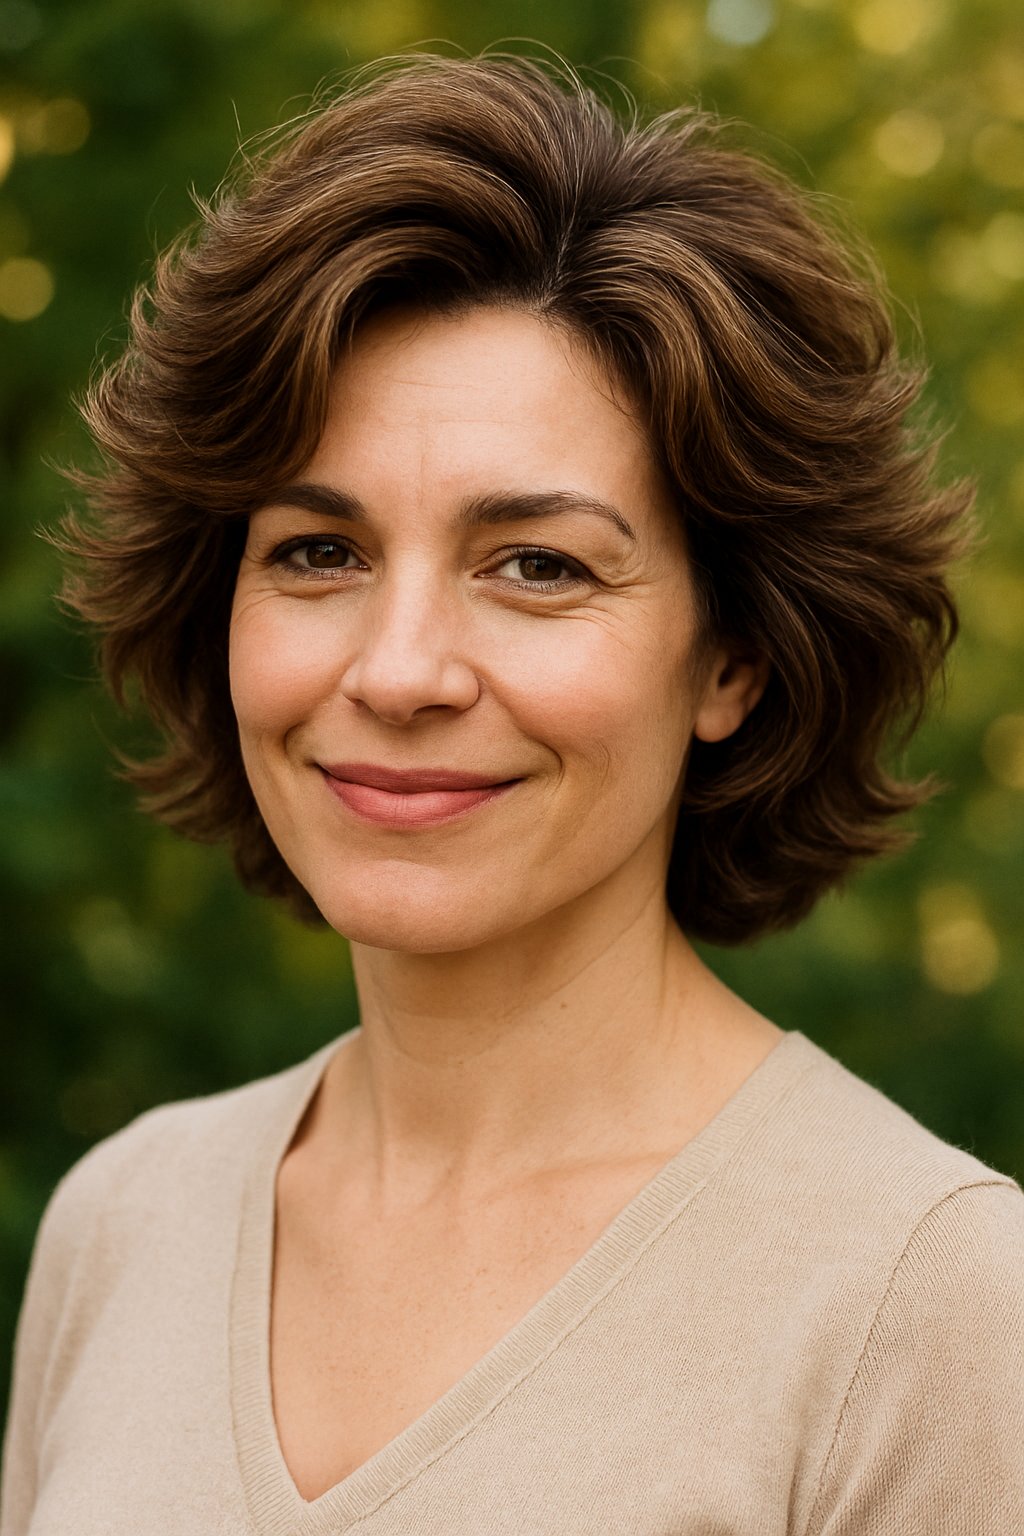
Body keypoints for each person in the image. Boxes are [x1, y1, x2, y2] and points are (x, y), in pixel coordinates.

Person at [2, 51, 1022, 1536]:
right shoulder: (125, 1221)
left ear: (732, 657)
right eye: (317, 551)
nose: (401, 668)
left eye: (536, 566)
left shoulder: (930, 1303)